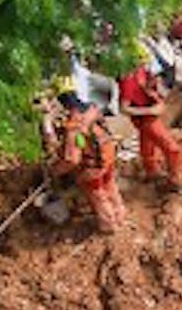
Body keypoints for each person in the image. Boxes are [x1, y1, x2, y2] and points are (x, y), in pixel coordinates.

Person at [49, 90, 126, 234]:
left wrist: (54, 171)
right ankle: (120, 214)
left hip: (93, 165)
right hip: (107, 155)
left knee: (98, 196)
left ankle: (109, 225)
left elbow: (71, 159)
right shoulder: (92, 109)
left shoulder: (75, 127)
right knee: (110, 186)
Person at [118, 61, 182, 190]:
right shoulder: (128, 80)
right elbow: (123, 108)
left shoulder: (144, 72)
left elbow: (151, 88)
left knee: (147, 144)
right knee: (172, 148)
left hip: (149, 113)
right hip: (145, 118)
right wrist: (150, 110)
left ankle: (152, 172)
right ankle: (176, 180)